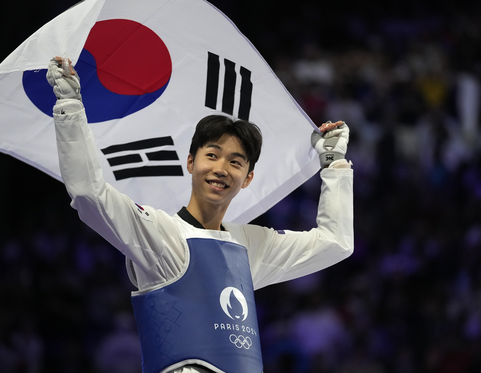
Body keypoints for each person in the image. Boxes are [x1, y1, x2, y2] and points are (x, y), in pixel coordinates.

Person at [46, 56, 353, 373]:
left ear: (247, 178)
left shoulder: (252, 246)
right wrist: (69, 104)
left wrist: (334, 165)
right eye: (212, 155)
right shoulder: (160, 234)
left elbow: (336, 242)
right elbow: (88, 193)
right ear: (191, 162)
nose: (221, 169)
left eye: (235, 162)